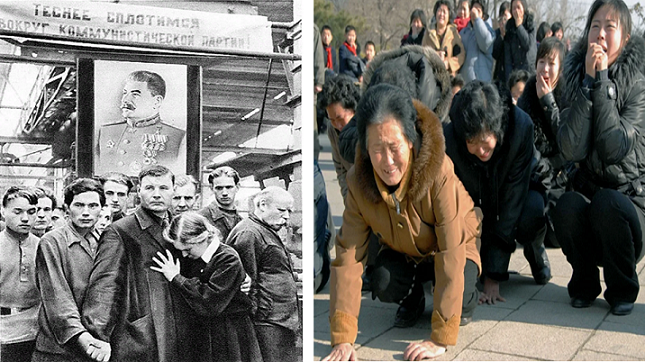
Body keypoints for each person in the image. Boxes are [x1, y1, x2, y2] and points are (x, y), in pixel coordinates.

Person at [322, 84, 482, 362]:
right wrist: (343, 338)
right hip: (407, 249)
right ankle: (415, 296)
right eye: (377, 150)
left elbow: (452, 250)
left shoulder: (439, 171)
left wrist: (440, 338)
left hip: (455, 244)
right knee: (383, 281)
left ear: (409, 139)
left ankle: (451, 298)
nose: (387, 162)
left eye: (394, 147)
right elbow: (347, 256)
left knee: (463, 298)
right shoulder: (358, 183)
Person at [554, 0, 645, 316]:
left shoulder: (637, 85)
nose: (601, 34)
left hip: (629, 205)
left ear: (626, 38)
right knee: (566, 206)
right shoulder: (577, 76)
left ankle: (622, 289)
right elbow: (570, 149)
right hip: (591, 198)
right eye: (595, 26)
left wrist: (603, 81)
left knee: (608, 203)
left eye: (610, 27)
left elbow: (614, 148)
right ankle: (584, 283)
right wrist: (589, 84)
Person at [445, 80, 551, 305]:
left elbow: (512, 202)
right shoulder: (451, 137)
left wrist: (493, 278)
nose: (481, 151)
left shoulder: (520, 127)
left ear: (497, 127)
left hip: (519, 192)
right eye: (472, 143)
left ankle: (535, 250)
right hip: (478, 198)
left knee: (531, 213)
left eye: (485, 142)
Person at [82, 165, 200, 361]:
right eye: (149, 188)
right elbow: (104, 286)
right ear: (138, 192)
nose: (156, 194)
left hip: (180, 329)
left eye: (163, 188)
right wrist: (98, 335)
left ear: (173, 191)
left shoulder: (180, 228)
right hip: (140, 334)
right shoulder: (120, 231)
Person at [150, 212, 262, 362]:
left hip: (228, 334)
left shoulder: (227, 258)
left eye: (187, 249)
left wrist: (176, 278)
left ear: (202, 239)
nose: (183, 255)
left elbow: (209, 301)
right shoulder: (196, 255)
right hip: (205, 332)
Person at [33, 178, 111, 362]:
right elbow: (57, 297)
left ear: (101, 208)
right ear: (67, 207)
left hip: (96, 345)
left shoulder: (105, 240)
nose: (85, 212)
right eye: (79, 205)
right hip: (58, 349)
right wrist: (82, 336)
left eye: (93, 205)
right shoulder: (52, 242)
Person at [227, 186, 299, 362]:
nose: (287, 216)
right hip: (266, 322)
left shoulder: (264, 229)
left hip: (280, 320)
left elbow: (273, 268)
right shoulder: (249, 233)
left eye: (289, 211)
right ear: (262, 205)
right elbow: (245, 283)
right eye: (282, 210)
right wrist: (257, 316)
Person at [517, 37, 569, 249]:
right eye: (541, 62)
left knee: (557, 237)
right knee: (530, 221)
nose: (545, 69)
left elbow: (569, 143)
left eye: (551, 63)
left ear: (560, 67)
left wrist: (548, 102)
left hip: (562, 178)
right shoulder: (527, 94)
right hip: (535, 176)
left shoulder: (567, 94)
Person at [96, 70, 186, 175]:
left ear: (157, 101)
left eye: (135, 94)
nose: (125, 99)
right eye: (125, 93)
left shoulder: (177, 136)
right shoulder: (106, 131)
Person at [0, 186, 39, 362]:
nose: (25, 218)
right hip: (3, 331)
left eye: (32, 212)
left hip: (36, 330)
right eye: (18, 212)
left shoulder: (44, 245)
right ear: (3, 211)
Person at [317, 75, 360, 199]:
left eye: (340, 118)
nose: (337, 125)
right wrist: (349, 202)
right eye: (332, 120)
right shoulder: (332, 129)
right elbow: (341, 170)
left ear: (353, 109)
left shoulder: (369, 126)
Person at [198, 166, 242, 241]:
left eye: (229, 187)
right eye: (219, 188)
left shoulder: (241, 221)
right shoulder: (201, 218)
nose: (224, 193)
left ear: (237, 187)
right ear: (211, 188)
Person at [423, 0, 465, 76]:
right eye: (439, 11)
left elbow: (462, 55)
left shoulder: (454, 33)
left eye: (444, 12)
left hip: (449, 77)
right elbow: (422, 52)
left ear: (449, 16)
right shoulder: (428, 33)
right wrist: (435, 55)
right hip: (431, 76)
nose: (441, 14)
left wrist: (448, 63)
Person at [459, 0, 496, 83]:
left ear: (483, 16)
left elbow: (486, 44)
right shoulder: (463, 32)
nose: (474, 12)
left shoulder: (489, 31)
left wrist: (477, 20)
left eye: (478, 11)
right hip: (465, 83)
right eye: (473, 9)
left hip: (482, 82)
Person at [504, 0, 537, 82]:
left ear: (524, 8)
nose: (516, 11)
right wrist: (510, 79)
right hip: (516, 71)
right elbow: (508, 58)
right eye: (513, 8)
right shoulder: (509, 28)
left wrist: (519, 26)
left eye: (518, 7)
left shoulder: (531, 24)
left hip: (530, 70)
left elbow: (528, 44)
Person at [492, 1, 512, 85]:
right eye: (501, 18)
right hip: (499, 74)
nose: (503, 21)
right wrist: (501, 36)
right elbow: (495, 54)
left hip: (512, 73)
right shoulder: (496, 33)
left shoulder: (515, 32)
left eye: (505, 18)